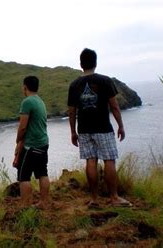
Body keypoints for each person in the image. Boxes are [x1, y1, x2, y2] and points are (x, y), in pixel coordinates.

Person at [67, 48, 132, 209]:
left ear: (81, 64)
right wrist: (121, 126)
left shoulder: (74, 85)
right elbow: (114, 106)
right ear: (95, 63)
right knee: (109, 160)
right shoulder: (105, 81)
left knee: (91, 161)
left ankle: (94, 199)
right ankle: (114, 197)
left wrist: (73, 132)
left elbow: (72, 111)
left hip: (84, 129)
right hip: (103, 127)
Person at [13, 75, 50, 209]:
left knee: (24, 176)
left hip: (31, 146)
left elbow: (23, 127)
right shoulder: (40, 101)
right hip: (43, 143)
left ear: (25, 87)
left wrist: (17, 141)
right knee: (42, 173)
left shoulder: (27, 102)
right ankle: (44, 202)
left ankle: (25, 206)